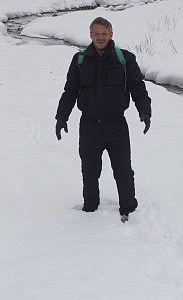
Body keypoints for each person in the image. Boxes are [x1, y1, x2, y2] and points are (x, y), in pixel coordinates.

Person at [55, 16, 151, 220]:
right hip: (89, 125)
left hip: (116, 125)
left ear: (111, 34)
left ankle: (129, 208)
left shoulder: (124, 59)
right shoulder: (80, 59)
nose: (100, 37)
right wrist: (61, 117)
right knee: (89, 170)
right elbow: (70, 91)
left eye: (104, 34)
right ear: (90, 35)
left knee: (123, 169)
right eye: (96, 34)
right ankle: (90, 208)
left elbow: (137, 88)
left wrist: (145, 111)